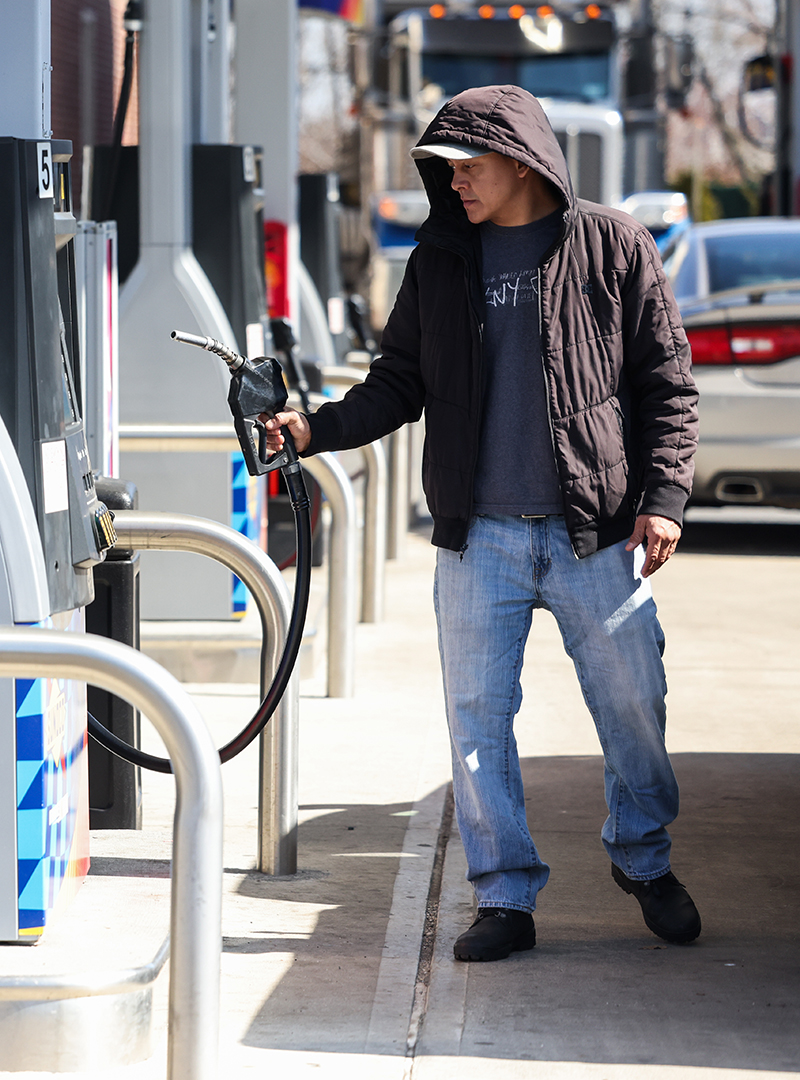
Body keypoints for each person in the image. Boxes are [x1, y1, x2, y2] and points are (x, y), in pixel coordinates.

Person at [263, 85, 701, 961]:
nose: (453, 183)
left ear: (522, 160)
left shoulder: (613, 247)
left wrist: (663, 499)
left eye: (468, 167)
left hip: (597, 531)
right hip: (480, 538)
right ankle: (504, 895)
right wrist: (315, 429)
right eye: (445, 170)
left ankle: (643, 859)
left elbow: (666, 383)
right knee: (476, 723)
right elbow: (397, 384)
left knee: (635, 705)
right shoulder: (440, 260)